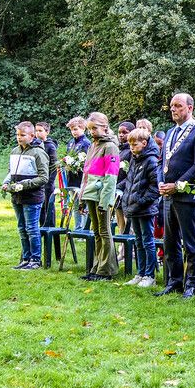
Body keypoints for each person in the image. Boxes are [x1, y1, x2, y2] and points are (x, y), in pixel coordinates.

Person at [157, 93, 195, 298]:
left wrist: (178, 185)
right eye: (171, 106)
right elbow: (161, 163)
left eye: (178, 106)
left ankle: (193, 284)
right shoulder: (171, 132)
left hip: (187, 196)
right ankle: (175, 281)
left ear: (190, 108)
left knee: (190, 241)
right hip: (167, 194)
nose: (173, 109)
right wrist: (160, 183)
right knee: (169, 241)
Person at [79, 113, 120, 281]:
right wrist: (81, 197)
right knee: (96, 232)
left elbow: (111, 176)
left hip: (102, 195)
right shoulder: (93, 145)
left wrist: (105, 201)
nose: (92, 132)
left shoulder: (110, 146)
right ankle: (96, 268)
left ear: (105, 126)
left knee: (105, 232)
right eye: (89, 129)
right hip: (90, 193)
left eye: (94, 128)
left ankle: (106, 270)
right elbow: (86, 173)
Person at [2, 121, 49, 270]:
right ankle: (26, 258)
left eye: (22, 135)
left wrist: (23, 185)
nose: (19, 137)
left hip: (32, 196)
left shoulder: (38, 152)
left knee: (31, 228)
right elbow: (11, 172)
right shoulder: (15, 151)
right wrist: (6, 183)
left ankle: (35, 260)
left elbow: (43, 178)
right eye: (17, 135)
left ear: (32, 135)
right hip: (16, 196)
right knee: (21, 228)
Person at [121, 128, 160, 288]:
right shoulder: (134, 159)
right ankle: (140, 273)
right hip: (133, 208)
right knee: (138, 241)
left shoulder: (151, 160)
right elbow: (130, 183)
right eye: (130, 144)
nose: (131, 147)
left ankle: (150, 275)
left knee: (148, 241)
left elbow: (155, 187)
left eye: (134, 144)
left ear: (144, 143)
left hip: (145, 208)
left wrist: (140, 202)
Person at [65, 116, 92, 230]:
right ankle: (77, 228)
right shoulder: (71, 143)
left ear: (83, 128)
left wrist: (77, 164)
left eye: (76, 129)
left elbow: (87, 161)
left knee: (83, 205)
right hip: (71, 177)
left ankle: (84, 229)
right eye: (72, 129)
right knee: (75, 205)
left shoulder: (86, 143)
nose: (73, 132)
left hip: (81, 178)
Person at [115, 121, 135, 255]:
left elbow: (130, 174)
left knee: (129, 224)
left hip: (127, 191)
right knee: (120, 223)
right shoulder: (118, 149)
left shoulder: (131, 151)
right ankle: (122, 251)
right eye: (119, 132)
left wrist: (118, 187)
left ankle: (131, 251)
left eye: (125, 133)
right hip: (117, 192)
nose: (121, 135)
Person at [35, 122, 58, 227]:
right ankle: (41, 226)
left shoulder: (50, 146)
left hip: (48, 182)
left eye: (40, 131)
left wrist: (49, 181)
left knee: (48, 206)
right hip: (37, 181)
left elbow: (54, 165)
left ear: (47, 132)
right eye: (36, 130)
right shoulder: (34, 145)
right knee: (39, 206)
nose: (37, 133)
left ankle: (50, 226)